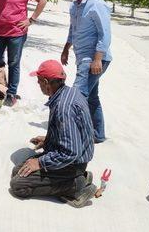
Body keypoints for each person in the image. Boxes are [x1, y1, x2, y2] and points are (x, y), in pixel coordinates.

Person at [10, 60, 96, 208]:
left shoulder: (64, 108)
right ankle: (76, 178)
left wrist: (40, 162)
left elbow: (70, 152)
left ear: (46, 82)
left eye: (39, 82)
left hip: (73, 163)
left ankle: (75, 185)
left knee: (18, 185)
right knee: (17, 170)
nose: (38, 85)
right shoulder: (68, 92)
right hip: (74, 156)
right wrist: (49, 139)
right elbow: (72, 134)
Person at [60, 0, 112, 143]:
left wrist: (97, 59)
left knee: (77, 95)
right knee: (92, 96)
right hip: (81, 57)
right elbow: (72, 29)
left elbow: (104, 34)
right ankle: (98, 134)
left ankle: (73, 134)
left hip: (95, 59)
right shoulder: (75, 6)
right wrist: (66, 48)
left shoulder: (97, 4)